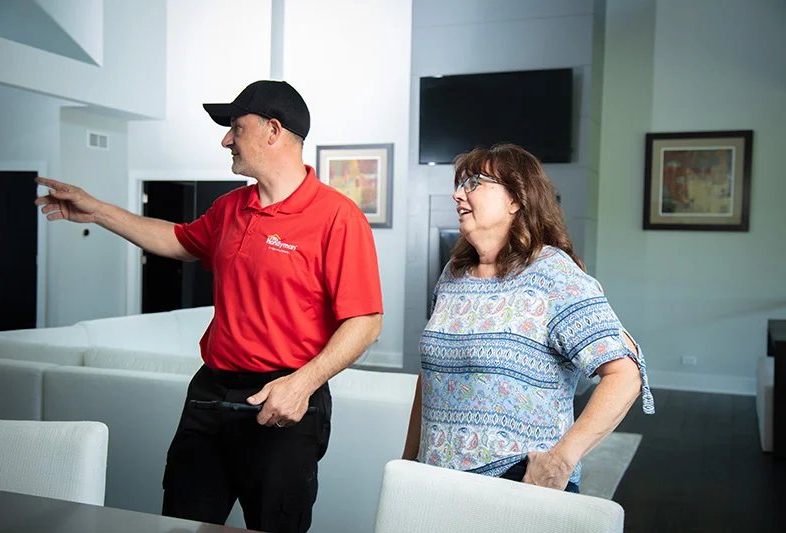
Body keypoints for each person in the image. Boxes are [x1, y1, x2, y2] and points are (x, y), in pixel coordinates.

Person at [35, 80, 383, 532]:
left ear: (273, 131)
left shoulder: (337, 216)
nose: (225, 140)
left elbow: (365, 321)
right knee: (181, 522)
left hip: (284, 401)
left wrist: (301, 385)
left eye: (235, 128)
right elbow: (176, 240)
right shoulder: (229, 207)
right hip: (209, 395)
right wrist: (97, 211)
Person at [401, 143, 654, 493]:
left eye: (474, 183)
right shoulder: (453, 275)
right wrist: (408, 461)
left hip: (515, 482)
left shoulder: (554, 276)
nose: (458, 195)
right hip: (438, 480)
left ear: (516, 199)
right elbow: (429, 377)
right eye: (460, 185)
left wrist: (562, 459)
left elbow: (624, 373)